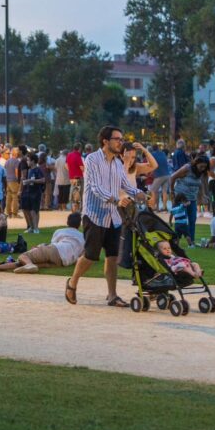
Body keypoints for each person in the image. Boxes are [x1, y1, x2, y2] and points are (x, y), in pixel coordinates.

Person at [65, 126, 146, 307]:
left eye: (121, 138)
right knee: (91, 256)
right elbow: (95, 187)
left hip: (114, 217)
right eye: (117, 138)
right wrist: (116, 199)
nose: (120, 142)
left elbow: (126, 185)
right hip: (94, 215)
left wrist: (139, 193)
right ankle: (72, 283)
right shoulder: (92, 159)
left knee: (112, 256)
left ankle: (112, 295)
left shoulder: (118, 163)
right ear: (105, 141)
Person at [0, 213, 85, 274]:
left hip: (55, 250)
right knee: (22, 262)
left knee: (23, 256)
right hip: (63, 262)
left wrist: (39, 247)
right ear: (78, 224)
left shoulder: (61, 231)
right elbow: (82, 255)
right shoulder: (83, 237)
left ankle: (29, 265)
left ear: (67, 222)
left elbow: (53, 246)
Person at [170, 155, 213, 245]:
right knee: (181, 220)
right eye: (201, 166)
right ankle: (176, 241)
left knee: (192, 220)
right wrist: (172, 192)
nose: (203, 168)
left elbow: (200, 184)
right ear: (196, 163)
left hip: (192, 199)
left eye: (205, 167)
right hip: (181, 198)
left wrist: (203, 195)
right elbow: (173, 177)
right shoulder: (187, 168)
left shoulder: (201, 172)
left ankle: (192, 242)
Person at [20, 153, 45, 234]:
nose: (27, 162)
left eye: (28, 160)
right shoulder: (29, 170)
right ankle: (31, 227)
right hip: (28, 192)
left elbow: (43, 180)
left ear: (33, 161)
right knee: (27, 210)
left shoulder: (37, 169)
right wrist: (25, 180)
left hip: (36, 192)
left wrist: (32, 181)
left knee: (34, 211)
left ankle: (36, 228)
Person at [148, 144, 170, 211]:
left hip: (159, 175)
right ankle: (164, 207)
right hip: (167, 175)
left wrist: (149, 173)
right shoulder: (163, 153)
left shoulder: (152, 155)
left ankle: (153, 207)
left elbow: (152, 165)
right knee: (164, 192)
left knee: (153, 190)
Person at [66, 143, 84, 213]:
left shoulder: (69, 155)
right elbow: (82, 167)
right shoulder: (78, 155)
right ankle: (77, 210)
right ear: (79, 148)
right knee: (78, 194)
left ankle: (73, 209)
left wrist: (71, 170)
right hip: (78, 177)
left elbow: (66, 165)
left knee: (73, 192)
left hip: (71, 177)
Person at [5, 148, 21, 217]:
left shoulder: (7, 161)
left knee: (8, 197)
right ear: (16, 154)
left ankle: (8, 213)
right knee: (15, 197)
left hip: (8, 180)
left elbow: (5, 170)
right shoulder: (17, 161)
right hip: (14, 181)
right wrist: (18, 180)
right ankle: (15, 213)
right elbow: (16, 171)